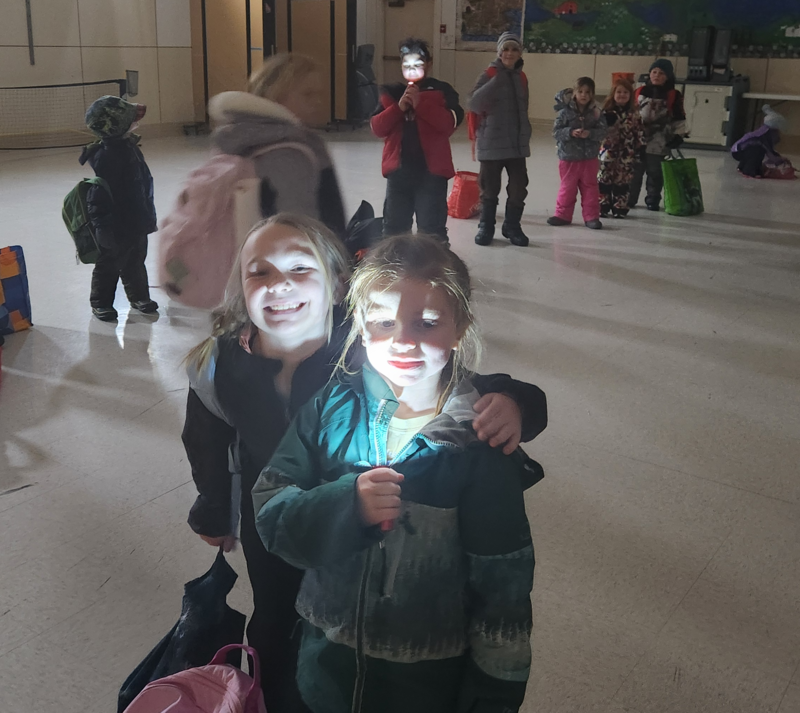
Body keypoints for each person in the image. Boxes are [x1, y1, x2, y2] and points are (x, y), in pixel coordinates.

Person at [182, 214, 547, 713]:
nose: (280, 285)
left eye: (299, 269)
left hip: (396, 631)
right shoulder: (222, 361)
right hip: (284, 530)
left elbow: (463, 379)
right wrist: (212, 509)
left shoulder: (361, 353)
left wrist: (516, 403)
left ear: (338, 288)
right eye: (260, 272)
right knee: (274, 620)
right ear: (240, 286)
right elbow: (205, 435)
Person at [208, 53, 346, 236]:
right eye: (308, 94)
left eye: (318, 94)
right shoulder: (290, 152)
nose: (317, 102)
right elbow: (298, 227)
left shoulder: (235, 137)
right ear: (275, 96)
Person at [371, 38, 463, 243]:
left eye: (419, 64)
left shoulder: (443, 91)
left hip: (431, 174)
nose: (412, 69)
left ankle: (435, 271)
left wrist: (421, 105)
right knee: (394, 229)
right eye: (407, 64)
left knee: (432, 230)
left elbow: (448, 124)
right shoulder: (390, 92)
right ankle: (393, 270)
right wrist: (398, 108)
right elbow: (377, 128)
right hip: (399, 173)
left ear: (428, 64)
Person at [80, 96, 158, 322]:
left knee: (136, 260)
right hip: (115, 224)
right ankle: (101, 303)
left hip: (136, 219)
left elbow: (141, 183)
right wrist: (101, 226)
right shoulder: (108, 157)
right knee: (109, 265)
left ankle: (139, 297)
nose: (136, 122)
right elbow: (99, 195)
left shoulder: (127, 146)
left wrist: (147, 216)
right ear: (116, 127)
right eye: (130, 119)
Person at [468, 31, 532, 247]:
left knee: (518, 188)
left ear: (520, 53)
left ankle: (512, 226)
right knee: (489, 188)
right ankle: (486, 226)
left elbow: (523, 109)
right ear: (499, 51)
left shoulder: (522, 77)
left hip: (516, 145)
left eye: (514, 49)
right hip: (491, 143)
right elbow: (474, 104)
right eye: (506, 49)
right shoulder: (489, 74)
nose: (510, 53)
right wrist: (498, 80)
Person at [548, 77, 607, 230]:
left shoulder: (596, 113)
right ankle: (562, 215)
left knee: (591, 187)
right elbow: (556, 132)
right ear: (574, 93)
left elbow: (603, 132)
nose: (584, 95)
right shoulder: (564, 112)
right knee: (567, 187)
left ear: (592, 94)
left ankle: (592, 217)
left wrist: (590, 134)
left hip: (589, 158)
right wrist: (570, 132)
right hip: (568, 157)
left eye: (587, 92)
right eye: (580, 91)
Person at [628, 59, 686, 211]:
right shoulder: (639, 92)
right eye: (654, 72)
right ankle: (629, 199)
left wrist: (678, 135)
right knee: (635, 171)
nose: (657, 76)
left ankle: (653, 199)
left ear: (668, 77)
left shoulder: (673, 95)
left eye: (661, 73)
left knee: (655, 172)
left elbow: (679, 116)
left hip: (660, 141)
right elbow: (630, 113)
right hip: (638, 140)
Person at [598, 78, 646, 218]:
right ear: (613, 94)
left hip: (627, 153)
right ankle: (602, 204)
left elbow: (640, 132)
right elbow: (598, 130)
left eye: (625, 92)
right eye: (619, 92)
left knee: (622, 181)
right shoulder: (605, 112)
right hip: (608, 152)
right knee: (604, 178)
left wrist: (641, 148)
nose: (622, 95)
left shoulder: (635, 114)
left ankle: (620, 207)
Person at [731, 105, 788, 178]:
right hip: (739, 152)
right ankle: (748, 171)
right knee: (757, 150)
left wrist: (778, 157)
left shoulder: (763, 133)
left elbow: (769, 150)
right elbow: (769, 152)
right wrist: (779, 160)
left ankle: (743, 167)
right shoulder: (762, 137)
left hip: (739, 151)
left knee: (757, 151)